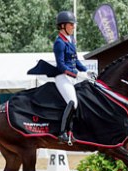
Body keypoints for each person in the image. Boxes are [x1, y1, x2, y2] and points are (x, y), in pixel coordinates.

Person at [54, 11, 90, 145]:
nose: (73, 27)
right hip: (63, 77)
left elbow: (77, 61)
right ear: (63, 25)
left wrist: (86, 71)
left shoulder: (71, 41)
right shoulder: (59, 43)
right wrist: (76, 74)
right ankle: (62, 133)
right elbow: (61, 66)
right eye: (71, 24)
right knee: (72, 102)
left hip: (72, 77)